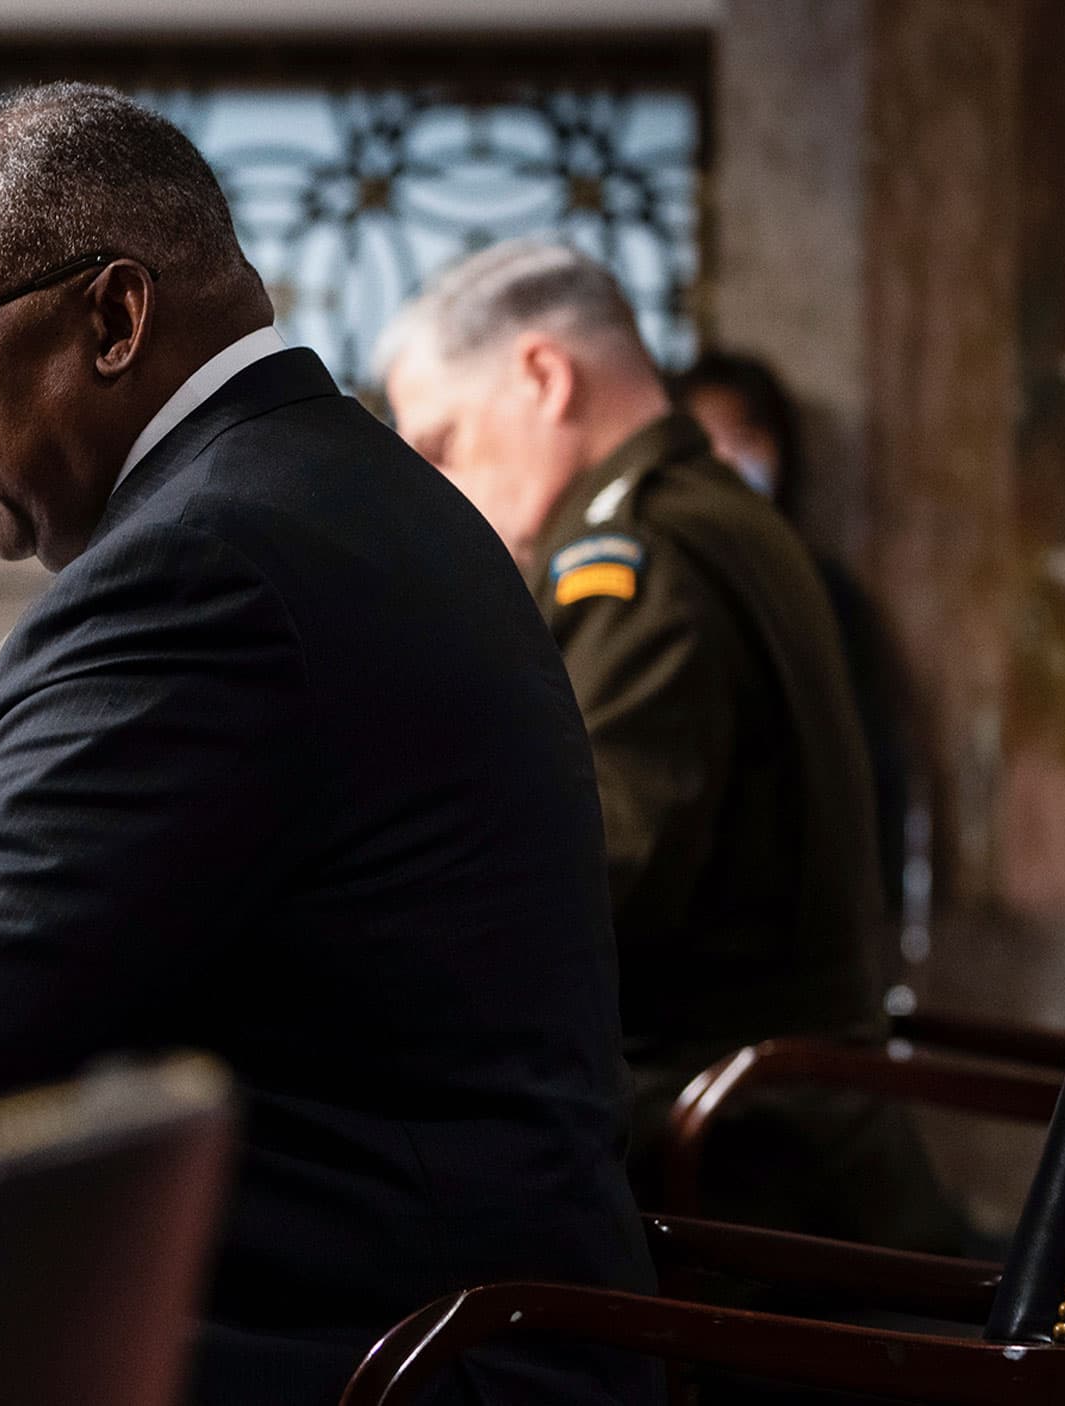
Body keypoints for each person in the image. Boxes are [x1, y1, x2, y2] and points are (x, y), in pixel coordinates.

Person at [0, 85, 655, 1406]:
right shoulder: (324, 487)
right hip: (443, 1317)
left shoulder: (207, 563)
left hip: (372, 1354)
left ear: (112, 318)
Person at [379, 240, 964, 1253]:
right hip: (779, 1114)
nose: (438, 487)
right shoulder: (716, 515)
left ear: (542, 376)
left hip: (728, 1157)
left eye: (443, 442)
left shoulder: (636, 556)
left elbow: (591, 878)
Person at [674, 349, 919, 920]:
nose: (726, 460)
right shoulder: (667, 577)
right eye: (704, 438)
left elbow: (871, 759)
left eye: (743, 436)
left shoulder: (821, 590)